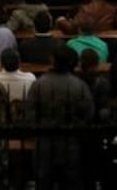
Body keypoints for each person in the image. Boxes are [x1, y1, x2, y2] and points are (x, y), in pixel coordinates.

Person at [24, 45, 95, 190]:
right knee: (70, 182)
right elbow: (89, 113)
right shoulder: (79, 85)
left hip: (44, 141)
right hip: (71, 142)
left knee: (44, 183)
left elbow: (30, 114)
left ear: (52, 60)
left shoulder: (39, 84)